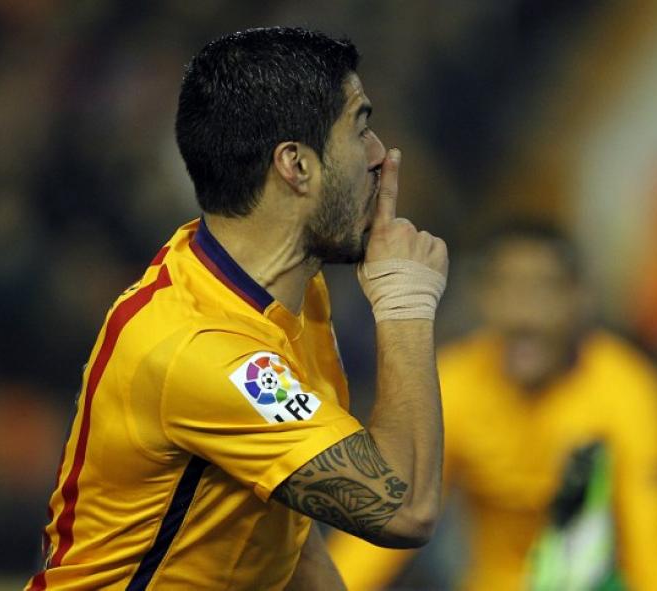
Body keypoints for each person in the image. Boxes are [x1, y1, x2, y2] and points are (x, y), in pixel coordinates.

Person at [26, 27, 449, 590]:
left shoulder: (285, 291)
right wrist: (405, 301)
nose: (380, 156)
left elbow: (285, 528)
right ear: (295, 165)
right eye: (360, 128)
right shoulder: (203, 350)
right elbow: (404, 507)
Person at [329, 223, 657, 590]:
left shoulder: (628, 391)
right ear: (481, 297)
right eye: (505, 289)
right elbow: (384, 524)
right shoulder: (455, 383)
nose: (523, 316)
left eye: (542, 290)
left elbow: (655, 543)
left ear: (580, 299)